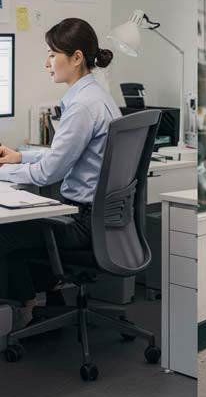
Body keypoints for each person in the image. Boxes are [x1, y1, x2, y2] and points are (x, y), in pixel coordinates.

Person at [0, 18, 121, 330]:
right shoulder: (99, 98)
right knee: (30, 225)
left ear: (76, 57)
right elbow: (62, 156)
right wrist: (19, 156)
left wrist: (10, 170)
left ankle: (25, 307)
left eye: (53, 54)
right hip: (105, 220)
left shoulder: (82, 107)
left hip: (82, 224)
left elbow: (49, 171)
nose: (47, 63)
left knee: (5, 235)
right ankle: (49, 304)